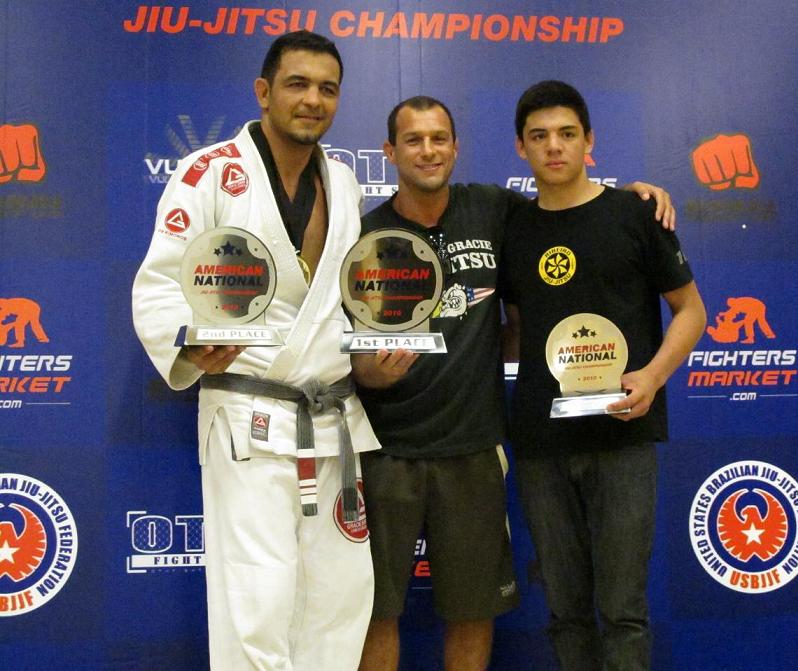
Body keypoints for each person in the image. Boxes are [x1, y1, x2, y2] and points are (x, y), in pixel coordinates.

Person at [352, 95, 678, 671]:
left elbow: (571, 209)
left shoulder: (493, 209)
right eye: (413, 140)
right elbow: (346, 349)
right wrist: (370, 372)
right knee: (375, 612)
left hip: (475, 447)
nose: (427, 150)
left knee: (473, 609)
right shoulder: (363, 233)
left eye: (438, 138)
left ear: (456, 147)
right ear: (388, 151)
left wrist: (633, 198)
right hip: (384, 450)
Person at [132, 31, 380, 671]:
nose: (313, 100)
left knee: (340, 598)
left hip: (331, 419)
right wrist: (192, 342)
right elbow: (161, 283)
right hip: (249, 416)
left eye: (327, 88)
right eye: (298, 84)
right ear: (264, 91)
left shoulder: (344, 182)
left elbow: (345, 297)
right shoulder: (210, 172)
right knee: (257, 599)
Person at [501, 80, 707, 671]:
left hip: (623, 433)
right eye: (539, 136)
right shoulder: (511, 228)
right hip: (542, 441)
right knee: (565, 612)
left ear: (589, 141)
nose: (554, 146)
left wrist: (653, 377)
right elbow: (516, 326)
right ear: (520, 147)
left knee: (622, 612)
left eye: (567, 133)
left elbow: (692, 312)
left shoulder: (636, 212)